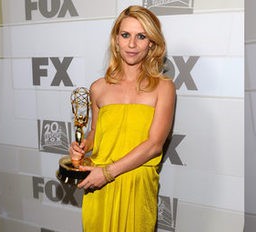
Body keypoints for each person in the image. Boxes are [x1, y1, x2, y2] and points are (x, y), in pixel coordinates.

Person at [67, 5, 175, 232]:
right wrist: (83, 146)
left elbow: (154, 145)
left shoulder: (163, 88)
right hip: (98, 185)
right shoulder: (98, 87)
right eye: (125, 35)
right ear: (116, 39)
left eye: (141, 36)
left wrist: (107, 173)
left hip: (136, 184)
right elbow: (96, 131)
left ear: (152, 43)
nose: (132, 44)